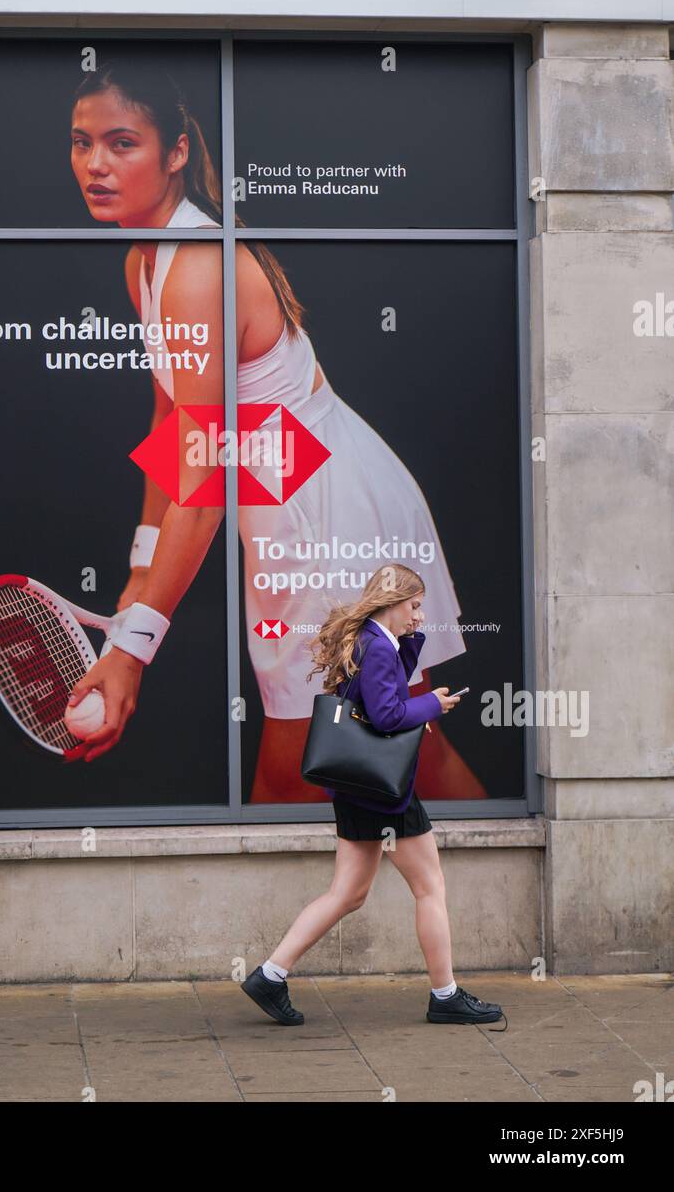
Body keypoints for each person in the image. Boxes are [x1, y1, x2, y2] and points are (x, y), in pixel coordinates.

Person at [64, 52, 483, 803]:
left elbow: (207, 474)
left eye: (121, 142)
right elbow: (173, 422)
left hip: (328, 511)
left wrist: (130, 650)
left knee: (307, 769)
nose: (95, 163)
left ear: (175, 153)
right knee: (394, 754)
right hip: (293, 503)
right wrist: (138, 570)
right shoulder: (145, 260)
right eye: (81, 142)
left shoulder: (195, 267)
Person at [241, 562, 506, 1028]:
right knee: (430, 887)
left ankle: (270, 975)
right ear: (393, 601)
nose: (419, 616)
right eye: (415, 606)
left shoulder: (369, 639)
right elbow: (386, 716)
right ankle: (445, 996)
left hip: (357, 788)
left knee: (347, 894)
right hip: (386, 793)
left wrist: (411, 649)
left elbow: (379, 700)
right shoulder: (375, 646)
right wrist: (433, 704)